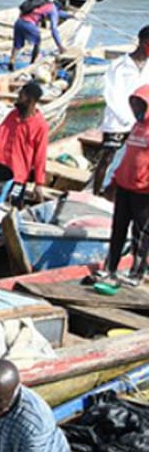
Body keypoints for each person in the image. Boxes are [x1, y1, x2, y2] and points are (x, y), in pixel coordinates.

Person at [93, 85, 149, 288]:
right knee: (118, 229)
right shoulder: (136, 127)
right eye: (133, 104)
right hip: (125, 186)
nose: (135, 108)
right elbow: (126, 157)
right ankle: (111, 268)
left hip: (144, 191)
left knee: (141, 233)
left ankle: (136, 273)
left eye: (140, 104)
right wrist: (113, 181)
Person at [91, 26, 149, 196]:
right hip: (118, 120)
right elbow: (111, 93)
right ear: (143, 43)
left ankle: (120, 191)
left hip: (141, 121)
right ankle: (96, 192)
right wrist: (126, 117)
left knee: (133, 158)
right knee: (107, 157)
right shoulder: (119, 65)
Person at [0, 81, 48, 206]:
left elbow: (40, 156)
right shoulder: (12, 115)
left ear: (30, 101)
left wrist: (39, 183)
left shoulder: (40, 125)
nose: (17, 99)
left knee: (11, 206)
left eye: (21, 96)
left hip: (17, 177)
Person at [10, 0, 72, 70]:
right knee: (38, 42)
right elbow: (54, 29)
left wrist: (69, 15)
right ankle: (32, 64)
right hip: (29, 25)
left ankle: (12, 61)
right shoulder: (53, 10)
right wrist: (60, 46)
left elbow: (59, 13)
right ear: (63, 4)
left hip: (19, 22)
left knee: (17, 44)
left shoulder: (47, 4)